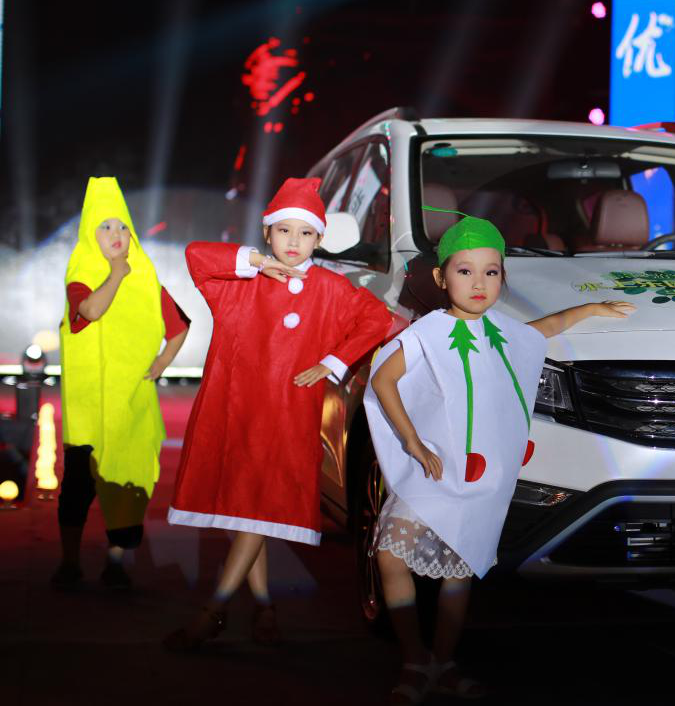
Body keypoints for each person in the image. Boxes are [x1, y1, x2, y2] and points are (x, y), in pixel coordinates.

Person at [365, 212, 635, 703]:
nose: (479, 283)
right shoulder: (427, 333)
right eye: (465, 271)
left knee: (461, 567)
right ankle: (414, 657)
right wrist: (413, 442)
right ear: (440, 277)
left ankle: (443, 663)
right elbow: (384, 379)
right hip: (434, 468)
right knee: (390, 553)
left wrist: (590, 309)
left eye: (491, 272)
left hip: (480, 478)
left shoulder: (503, 332)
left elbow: (542, 330)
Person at [163, 178, 391, 650]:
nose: (293, 241)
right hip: (235, 413)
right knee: (247, 514)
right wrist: (254, 262)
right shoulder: (238, 283)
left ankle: (213, 611)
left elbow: (377, 319)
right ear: (267, 233)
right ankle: (265, 607)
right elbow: (196, 255)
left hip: (286, 419)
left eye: (305, 233)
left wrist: (332, 362)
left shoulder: (330, 288)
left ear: (319, 239)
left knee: (253, 515)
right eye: (283, 230)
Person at [53, 177, 190, 590]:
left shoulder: (146, 278)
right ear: (89, 233)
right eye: (105, 226)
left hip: (130, 408)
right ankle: (70, 562)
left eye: (123, 226)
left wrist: (161, 362)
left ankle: (115, 563)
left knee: (128, 488)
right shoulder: (83, 272)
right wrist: (116, 273)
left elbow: (180, 325)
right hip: (88, 412)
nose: (116, 234)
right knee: (78, 487)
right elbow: (91, 311)